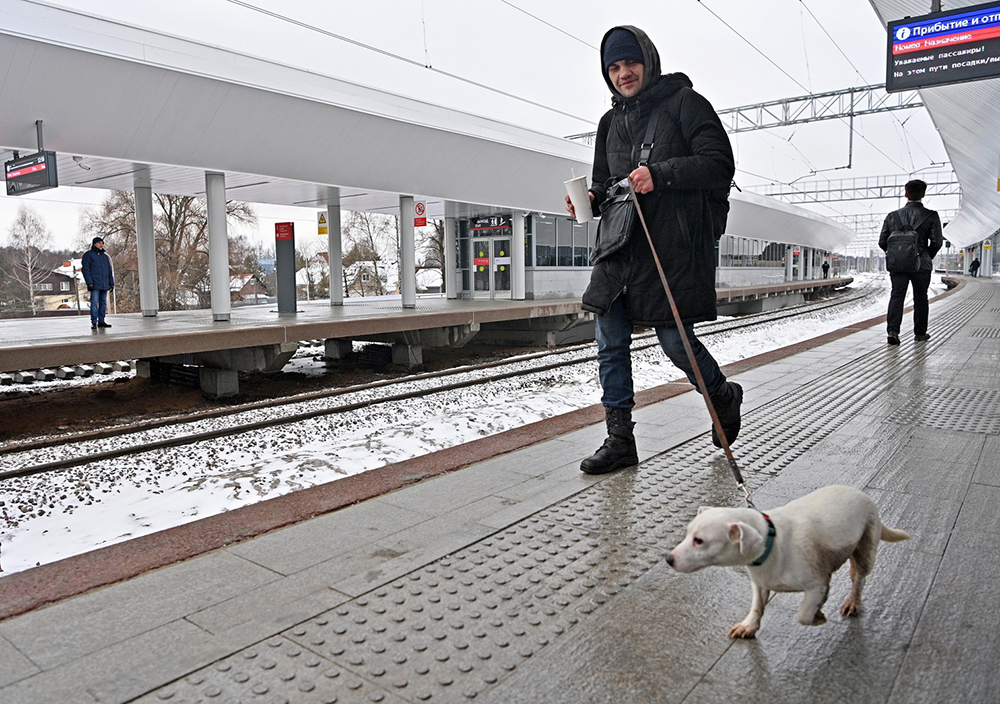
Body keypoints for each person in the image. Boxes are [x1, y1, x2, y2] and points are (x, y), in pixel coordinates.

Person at [565, 26, 740, 475]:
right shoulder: (610, 122)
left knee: (674, 339)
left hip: (669, 245)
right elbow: (607, 184)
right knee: (610, 341)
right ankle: (619, 439)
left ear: (648, 60)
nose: (623, 73)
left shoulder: (685, 104)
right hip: (619, 245)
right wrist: (588, 200)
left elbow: (720, 163)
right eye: (614, 67)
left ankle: (721, 394)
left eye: (630, 63)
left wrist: (660, 174)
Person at [878, 179, 943, 345]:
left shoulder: (892, 216)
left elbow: (882, 241)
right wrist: (926, 255)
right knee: (921, 297)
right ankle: (920, 333)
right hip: (922, 263)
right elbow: (937, 242)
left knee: (897, 295)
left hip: (898, 264)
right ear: (923, 194)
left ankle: (893, 331)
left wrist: (896, 254)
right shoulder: (931, 215)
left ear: (906, 193)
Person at [81, 236, 114, 329]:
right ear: (95, 244)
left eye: (102, 243)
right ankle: (94, 321)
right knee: (94, 303)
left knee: (103, 303)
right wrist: (89, 282)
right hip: (95, 284)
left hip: (104, 283)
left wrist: (111, 283)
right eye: (99, 243)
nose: (101, 245)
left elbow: (109, 271)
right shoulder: (88, 255)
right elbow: (86, 270)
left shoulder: (105, 257)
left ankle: (101, 320)